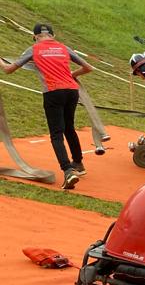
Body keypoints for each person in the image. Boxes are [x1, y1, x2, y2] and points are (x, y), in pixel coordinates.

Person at [2, 23, 93, 190]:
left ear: (35, 36)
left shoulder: (34, 49)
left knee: (56, 134)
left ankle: (68, 171)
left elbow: (8, 70)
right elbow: (88, 68)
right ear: (53, 35)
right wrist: (72, 75)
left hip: (52, 92)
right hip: (72, 91)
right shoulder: (64, 48)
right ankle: (78, 163)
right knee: (69, 128)